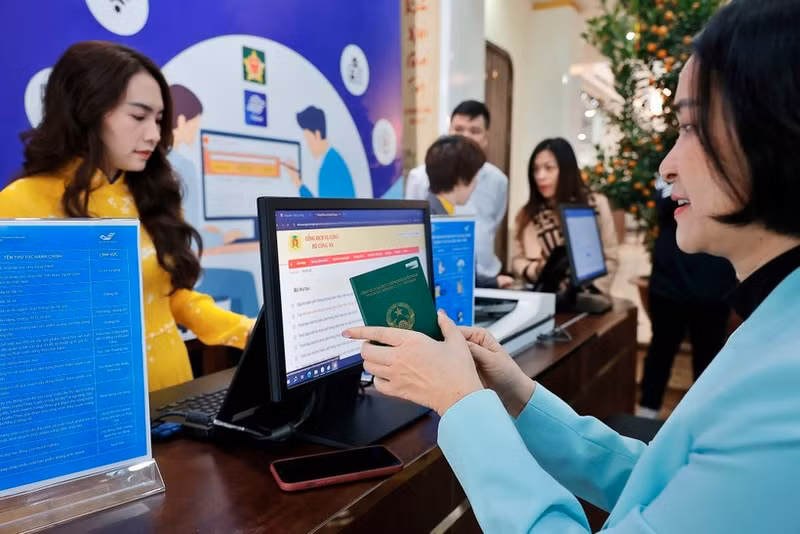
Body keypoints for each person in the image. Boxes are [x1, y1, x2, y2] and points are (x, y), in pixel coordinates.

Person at [344, 1, 800, 530]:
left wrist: (461, 402)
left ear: (778, 132)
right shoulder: (773, 326)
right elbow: (662, 480)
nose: (667, 165)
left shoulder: (785, 391)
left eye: (691, 127)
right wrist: (512, 394)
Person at [0, 41, 254, 391]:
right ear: (86, 111)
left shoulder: (153, 195)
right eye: (138, 116)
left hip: (175, 392)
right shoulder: (19, 205)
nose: (154, 134)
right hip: (88, 407)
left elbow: (174, 298)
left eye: (159, 119)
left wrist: (250, 332)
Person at [637, 185, 737, 418]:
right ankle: (646, 414)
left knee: (708, 359)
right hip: (669, 284)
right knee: (660, 352)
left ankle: (704, 420)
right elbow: (662, 208)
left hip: (713, 287)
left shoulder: (729, 172)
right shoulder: (670, 171)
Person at [168, 84, 259, 318]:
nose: (196, 129)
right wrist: (222, 236)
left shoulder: (155, 164)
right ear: (179, 120)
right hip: (179, 280)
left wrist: (207, 231)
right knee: (244, 282)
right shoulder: (183, 166)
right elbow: (189, 236)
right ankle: (252, 353)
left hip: (160, 276)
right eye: (195, 122)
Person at [406, 101, 509, 281]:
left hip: (479, 276)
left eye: (474, 131)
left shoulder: (498, 180)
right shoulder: (419, 179)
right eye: (459, 129)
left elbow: (495, 224)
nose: (466, 136)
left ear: (486, 136)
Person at [511, 137, 618, 295]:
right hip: (542, 299)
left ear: (567, 170)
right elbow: (517, 259)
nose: (540, 176)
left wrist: (585, 292)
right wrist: (537, 270)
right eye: (535, 169)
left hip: (588, 300)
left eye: (549, 168)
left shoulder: (595, 205)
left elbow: (611, 258)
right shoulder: (526, 214)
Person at [425, 135, 513, 289]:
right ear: (461, 180)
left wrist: (494, 281)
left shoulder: (439, 212)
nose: (476, 183)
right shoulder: (439, 223)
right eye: (474, 177)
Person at [286, 105, 355, 198]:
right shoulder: (332, 159)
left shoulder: (330, 166)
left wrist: (298, 183)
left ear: (317, 135)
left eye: (308, 140)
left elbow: (321, 210)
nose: (308, 146)